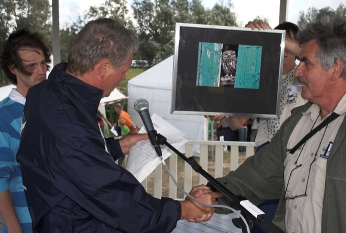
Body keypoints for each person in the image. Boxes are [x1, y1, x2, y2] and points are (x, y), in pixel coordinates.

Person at [16, 18, 221, 233]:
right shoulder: (69, 125)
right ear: (103, 67)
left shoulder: (45, 93)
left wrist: (116, 146)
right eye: (123, 71)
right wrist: (186, 209)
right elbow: (121, 204)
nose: (123, 77)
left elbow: (64, 159)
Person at [204, 17, 346, 233]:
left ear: (335, 68)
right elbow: (255, 177)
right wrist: (210, 193)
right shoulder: (296, 122)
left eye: (306, 62)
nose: (298, 71)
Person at [209, 21, 307, 231]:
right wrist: (222, 113)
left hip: (296, 155)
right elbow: (236, 122)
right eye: (278, 42)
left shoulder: (306, 78)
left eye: (287, 42)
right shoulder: (260, 79)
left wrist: (273, 36)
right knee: (260, 218)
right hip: (265, 153)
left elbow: (306, 51)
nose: (283, 49)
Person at [0, 29, 51, 233]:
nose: (41, 71)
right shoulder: (4, 117)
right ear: (13, 69)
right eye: (31, 66)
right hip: (24, 225)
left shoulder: (49, 108)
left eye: (43, 63)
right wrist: (15, 230)